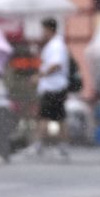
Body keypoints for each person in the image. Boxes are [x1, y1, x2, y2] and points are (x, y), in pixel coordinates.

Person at [28, 18, 69, 159]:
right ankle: (62, 146)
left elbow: (56, 64)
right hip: (57, 86)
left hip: (54, 86)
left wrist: (40, 75)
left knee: (44, 116)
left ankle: (38, 144)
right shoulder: (54, 44)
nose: (42, 33)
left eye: (43, 30)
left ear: (49, 29)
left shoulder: (56, 45)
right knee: (59, 117)